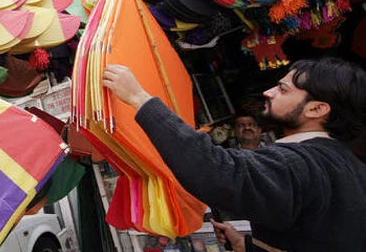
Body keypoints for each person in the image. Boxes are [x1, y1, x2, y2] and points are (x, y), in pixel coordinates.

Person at [102, 58, 366, 251]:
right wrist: (247, 245)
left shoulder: (301, 163)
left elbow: (218, 172)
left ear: (317, 109)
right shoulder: (349, 165)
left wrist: (140, 99)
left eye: (283, 89)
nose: (268, 92)